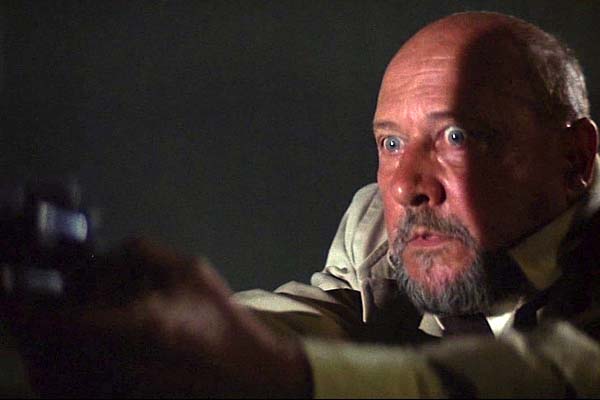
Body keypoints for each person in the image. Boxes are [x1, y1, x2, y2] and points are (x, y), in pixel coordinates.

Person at [3, 10, 600, 398]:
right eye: (391, 144)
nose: (405, 186)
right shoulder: (381, 228)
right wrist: (157, 330)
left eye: (455, 137)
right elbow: (322, 315)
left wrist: (283, 374)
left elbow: (560, 376)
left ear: (574, 159)